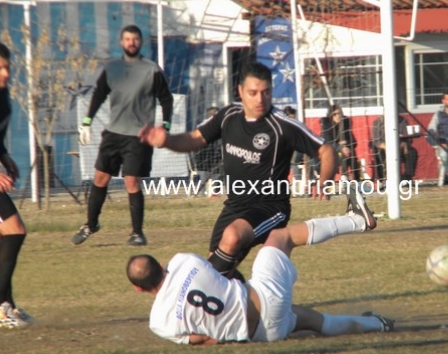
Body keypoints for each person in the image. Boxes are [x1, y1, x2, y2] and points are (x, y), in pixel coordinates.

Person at [139, 62, 336, 280]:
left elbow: (327, 150)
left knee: (231, 238)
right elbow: (195, 139)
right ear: (240, 91)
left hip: (270, 207)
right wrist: (167, 141)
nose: (260, 99)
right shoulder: (228, 116)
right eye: (253, 93)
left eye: (266, 92)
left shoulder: (282, 125)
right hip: (234, 206)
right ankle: (245, 306)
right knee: (219, 272)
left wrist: (324, 181)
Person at [127, 186, 392, 345]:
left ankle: (378, 325)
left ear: (139, 290)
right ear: (162, 265)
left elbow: (207, 340)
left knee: (310, 319)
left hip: (261, 334)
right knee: (280, 236)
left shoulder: (158, 323)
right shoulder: (182, 261)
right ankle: (358, 220)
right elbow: (224, 273)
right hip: (262, 299)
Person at [71, 24, 174, 246]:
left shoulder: (151, 69)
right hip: (113, 134)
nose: (131, 43)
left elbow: (166, 98)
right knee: (100, 177)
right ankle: (91, 224)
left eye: (135, 39)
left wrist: (165, 126)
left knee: (132, 182)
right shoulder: (112, 68)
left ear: (141, 42)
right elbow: (98, 94)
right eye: (127, 39)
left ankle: (137, 233)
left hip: (138, 136)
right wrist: (86, 121)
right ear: (121, 42)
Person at [0, 41, 31, 328]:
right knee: (15, 230)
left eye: (7, 68)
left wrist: (3, 156)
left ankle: (6, 305)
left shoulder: (1, 97)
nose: (5, 73)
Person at [372, 114, 418, 181]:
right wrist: (389, 147)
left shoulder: (402, 120)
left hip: (399, 147)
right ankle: (384, 178)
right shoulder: (378, 122)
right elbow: (376, 141)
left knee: (412, 152)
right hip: (384, 147)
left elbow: (408, 138)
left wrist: (404, 144)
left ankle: (408, 177)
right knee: (377, 152)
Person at [284, 106, 320, 194]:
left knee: (311, 155)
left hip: (300, 149)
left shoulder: (298, 125)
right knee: (294, 161)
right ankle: (298, 182)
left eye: (293, 117)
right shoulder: (282, 126)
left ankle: (313, 180)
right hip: (288, 152)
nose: (292, 119)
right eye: (290, 117)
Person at [321, 104, 361, 182]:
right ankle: (344, 176)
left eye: (339, 113)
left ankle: (357, 179)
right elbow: (328, 142)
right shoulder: (326, 125)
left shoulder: (345, 125)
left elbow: (354, 142)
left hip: (345, 152)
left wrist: (346, 142)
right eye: (335, 114)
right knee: (343, 152)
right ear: (331, 115)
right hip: (330, 152)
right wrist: (341, 147)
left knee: (351, 152)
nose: (337, 116)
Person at [192, 106, 223, 194]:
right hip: (205, 157)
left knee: (214, 176)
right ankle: (212, 193)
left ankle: (211, 194)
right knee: (209, 176)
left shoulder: (219, 126)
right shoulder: (203, 126)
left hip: (211, 156)